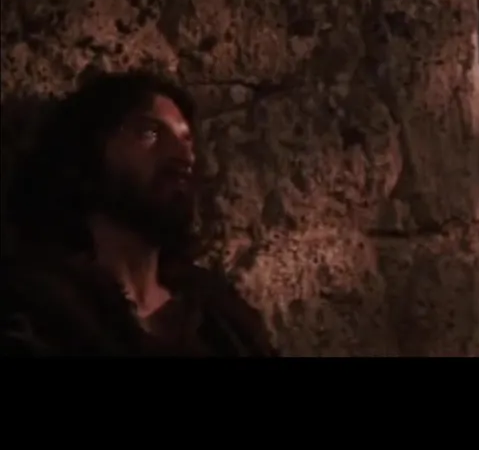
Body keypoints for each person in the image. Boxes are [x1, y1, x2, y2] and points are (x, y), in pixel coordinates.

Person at [0, 71, 276, 356]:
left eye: (186, 140)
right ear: (91, 152)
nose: (184, 157)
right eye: (149, 133)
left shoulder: (219, 316)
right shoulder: (37, 311)